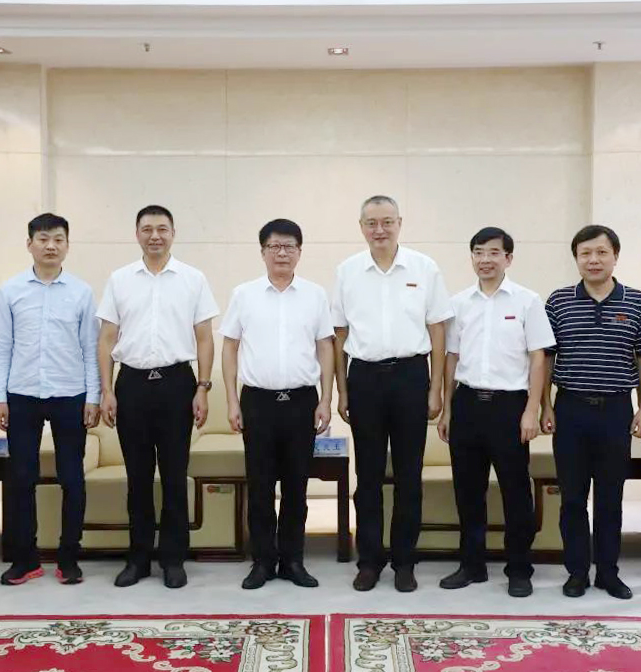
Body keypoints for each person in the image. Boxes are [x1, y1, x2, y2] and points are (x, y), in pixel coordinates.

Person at [332, 195, 453, 592]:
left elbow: (438, 330)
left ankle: (405, 561)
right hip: (364, 377)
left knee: (408, 475)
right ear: (361, 227)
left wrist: (436, 388)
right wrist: (342, 390)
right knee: (366, 476)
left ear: (400, 222)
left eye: (387, 222)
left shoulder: (424, 268)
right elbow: (339, 335)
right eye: (371, 223)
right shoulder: (348, 271)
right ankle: (369, 561)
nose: (379, 230)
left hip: (410, 376)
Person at [97, 205, 218, 589]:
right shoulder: (120, 279)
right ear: (137, 234)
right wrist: (106, 390)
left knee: (174, 476)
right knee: (137, 477)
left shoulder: (193, 279)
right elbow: (107, 339)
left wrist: (202, 387)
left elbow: (204, 338)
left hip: (176, 384)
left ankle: (173, 559)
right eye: (147, 229)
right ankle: (138, 559)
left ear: (173, 233)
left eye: (162, 229)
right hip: (131, 385)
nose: (155, 236)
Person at [542, 224, 641, 600]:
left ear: (615, 256)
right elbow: (546, 359)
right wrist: (545, 404)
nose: (593, 260)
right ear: (576, 258)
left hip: (615, 411)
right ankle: (577, 572)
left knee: (611, 498)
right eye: (585, 253)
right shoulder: (558, 301)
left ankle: (608, 572)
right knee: (572, 498)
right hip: (571, 409)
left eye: (601, 252)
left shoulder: (637, 302)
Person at [437, 227, 555, 597]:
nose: (485, 259)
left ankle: (519, 568)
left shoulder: (527, 301)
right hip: (468, 404)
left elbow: (539, 358)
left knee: (515, 491)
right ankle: (471, 565)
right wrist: (447, 408)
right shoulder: (459, 303)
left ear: (508, 258)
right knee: (467, 491)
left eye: (493, 252)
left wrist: (532, 409)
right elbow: (452, 358)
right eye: (478, 252)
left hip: (510, 406)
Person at [220, 219, 335, 590]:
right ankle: (263, 562)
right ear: (263, 252)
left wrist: (326, 399)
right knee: (260, 486)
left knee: (296, 488)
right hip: (258, 402)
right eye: (274, 246)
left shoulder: (315, 295)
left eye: (289, 246)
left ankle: (293, 560)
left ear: (299, 252)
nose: (282, 253)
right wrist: (232, 400)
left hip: (301, 401)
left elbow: (325, 347)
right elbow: (230, 347)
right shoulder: (244, 294)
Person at [0, 213, 100, 586]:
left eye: (58, 239)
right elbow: (0, 347)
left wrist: (93, 397)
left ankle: (69, 557)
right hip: (22, 394)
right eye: (43, 239)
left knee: (73, 478)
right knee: (22, 478)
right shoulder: (10, 290)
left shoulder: (81, 292)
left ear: (67, 245)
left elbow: (90, 349)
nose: (50, 245)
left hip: (71, 394)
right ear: (29, 244)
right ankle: (25, 559)